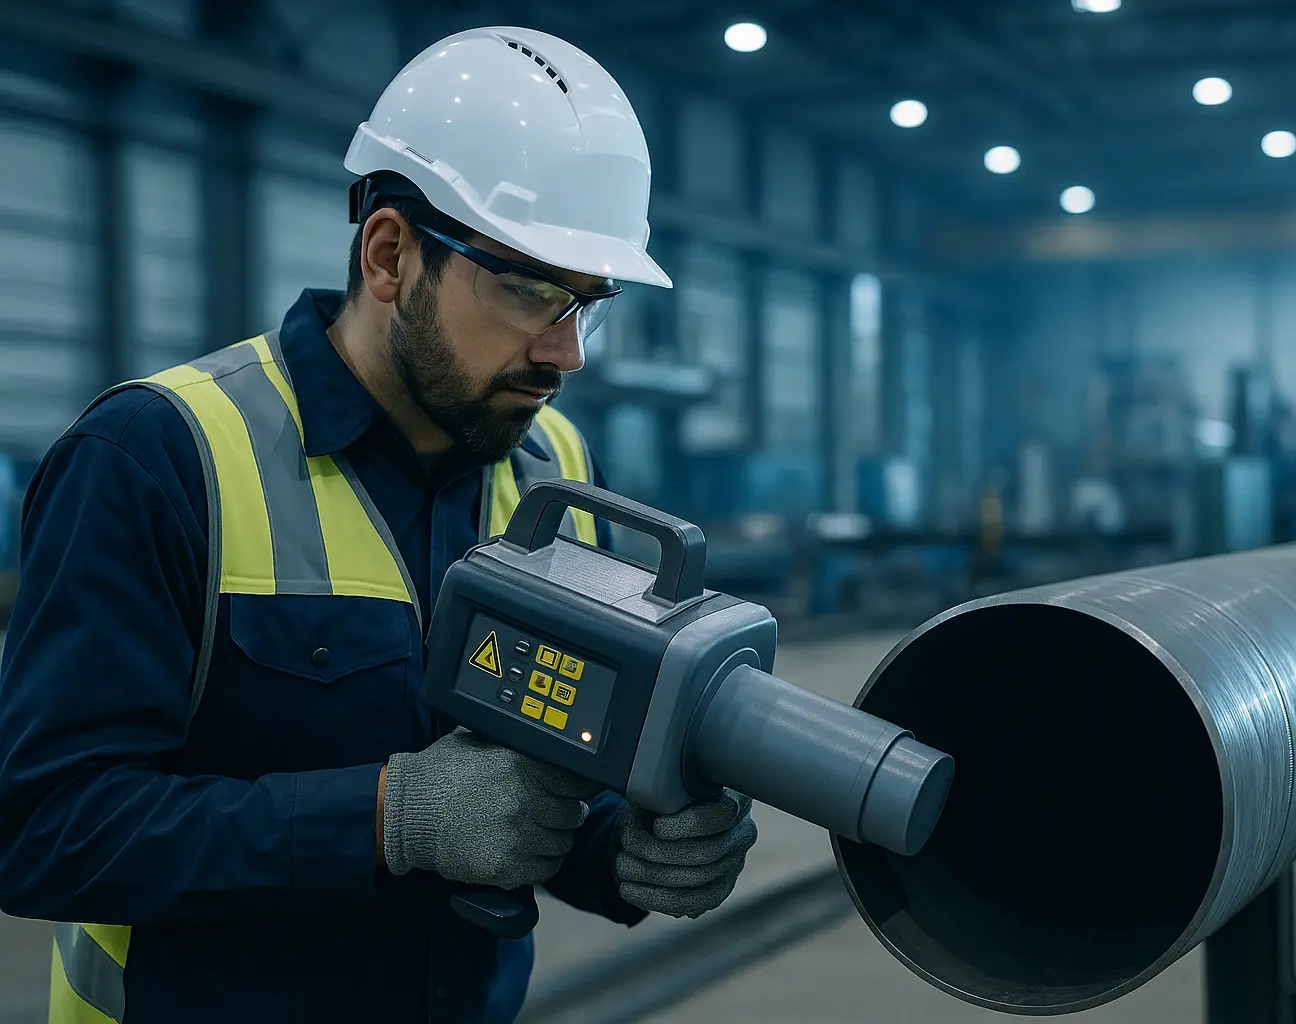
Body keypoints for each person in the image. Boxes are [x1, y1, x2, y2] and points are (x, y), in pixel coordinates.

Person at [0, 27, 757, 1024]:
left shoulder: (556, 472)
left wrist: (624, 847)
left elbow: (546, 776)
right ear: (391, 253)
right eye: (531, 288)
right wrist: (391, 816)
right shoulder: (160, 457)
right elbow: (47, 830)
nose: (566, 352)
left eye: (588, 303)